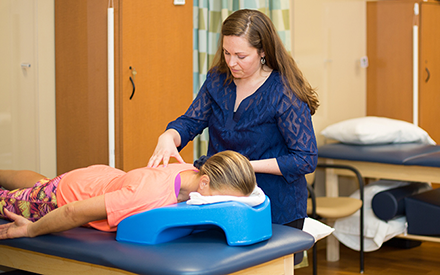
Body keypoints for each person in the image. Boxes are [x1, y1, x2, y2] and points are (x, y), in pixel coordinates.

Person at [148, 9, 319, 229]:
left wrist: (244, 166)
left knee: (267, 263)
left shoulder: (284, 93)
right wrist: (169, 136)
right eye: (227, 53)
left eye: (241, 56)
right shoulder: (218, 81)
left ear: (263, 52)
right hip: (220, 199)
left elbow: (305, 158)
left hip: (274, 204)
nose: (231, 62)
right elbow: (191, 121)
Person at [0, 151, 256, 240]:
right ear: (205, 183)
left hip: (94, 178)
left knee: (41, 183)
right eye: (223, 198)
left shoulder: (192, 170)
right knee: (17, 199)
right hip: (65, 198)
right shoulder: (148, 195)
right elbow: (73, 212)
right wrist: (30, 231)